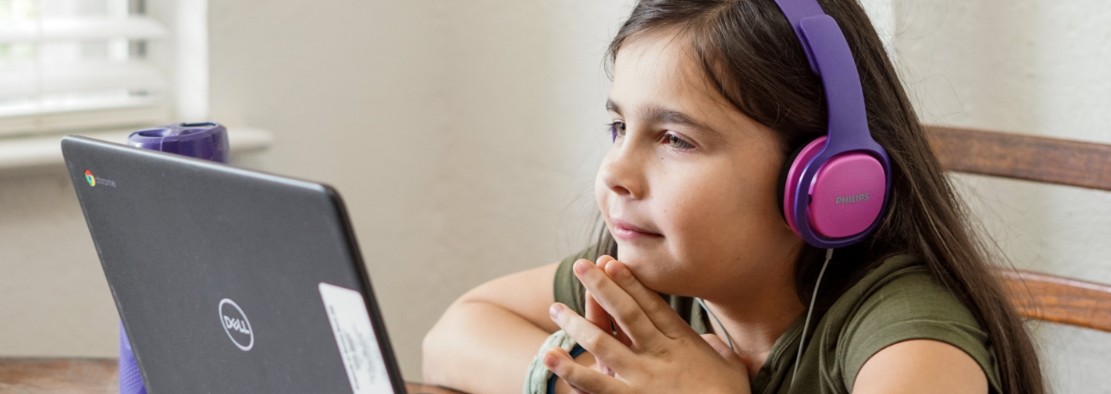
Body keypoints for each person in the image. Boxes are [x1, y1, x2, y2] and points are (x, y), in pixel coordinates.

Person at [422, 0, 1046, 393]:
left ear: (825, 180)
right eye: (618, 127)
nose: (615, 171)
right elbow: (450, 338)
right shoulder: (656, 277)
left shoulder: (906, 334)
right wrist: (589, 383)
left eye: (673, 139)